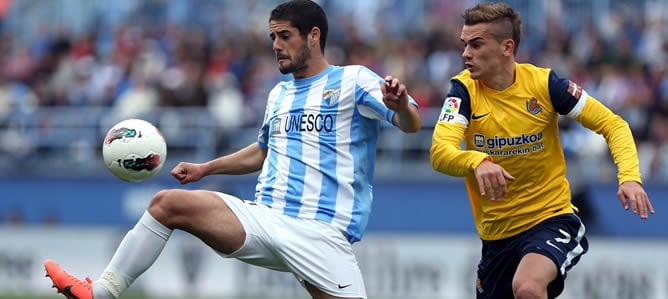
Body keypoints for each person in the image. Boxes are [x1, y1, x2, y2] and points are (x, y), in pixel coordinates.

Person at [44, 1, 421, 299]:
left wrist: (401, 105)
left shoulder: (353, 80)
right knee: (167, 204)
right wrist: (206, 169)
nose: (275, 45)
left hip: (318, 233)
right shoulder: (279, 94)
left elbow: (411, 123)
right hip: (263, 218)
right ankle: (101, 293)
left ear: (313, 36)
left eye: (284, 36)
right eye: (272, 37)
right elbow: (263, 151)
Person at [430, 2, 654, 299]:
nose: (465, 53)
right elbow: (439, 152)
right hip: (496, 237)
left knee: (528, 287)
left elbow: (613, 124)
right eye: (464, 44)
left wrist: (629, 177)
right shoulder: (463, 92)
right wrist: (476, 161)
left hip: (550, 217)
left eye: (476, 44)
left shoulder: (545, 85)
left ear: (507, 47)